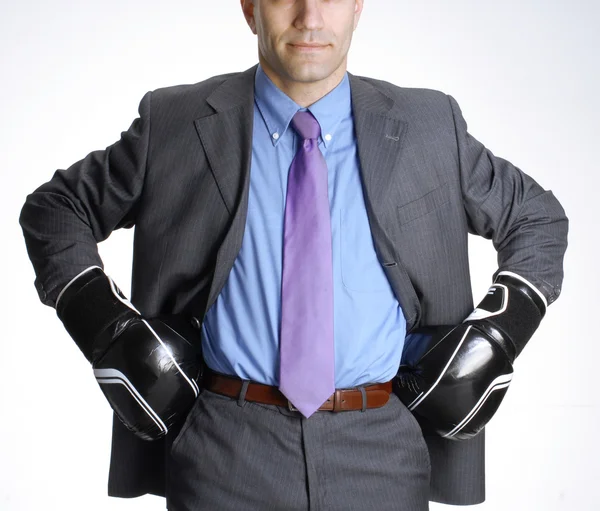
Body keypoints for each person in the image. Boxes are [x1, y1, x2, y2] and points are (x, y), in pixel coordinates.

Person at [19, 0, 568, 509]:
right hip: (225, 450)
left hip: (381, 447)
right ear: (250, 8)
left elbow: (536, 217)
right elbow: (56, 209)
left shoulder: (429, 125)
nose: (310, 17)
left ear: (357, 7)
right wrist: (106, 326)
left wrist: (500, 333)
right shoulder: (176, 122)